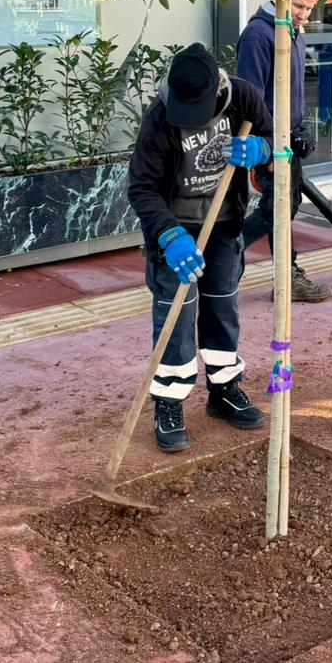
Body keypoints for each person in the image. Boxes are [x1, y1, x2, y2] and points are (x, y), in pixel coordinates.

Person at [128, 42, 275, 452]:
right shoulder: (159, 117)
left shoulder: (242, 97)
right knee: (177, 313)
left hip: (224, 222)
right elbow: (141, 187)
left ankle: (224, 389)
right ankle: (169, 402)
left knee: (222, 306)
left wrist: (261, 149)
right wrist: (169, 235)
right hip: (175, 228)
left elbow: (272, 137)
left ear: (216, 91)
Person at [237, 0, 332, 303]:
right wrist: (268, 146)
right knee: (275, 210)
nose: (304, 14)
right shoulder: (258, 35)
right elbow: (250, 98)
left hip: (287, 139)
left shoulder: (292, 32)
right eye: (299, 6)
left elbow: (290, 91)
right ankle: (227, 252)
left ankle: (286, 277)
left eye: (309, 8)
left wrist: (299, 129)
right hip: (270, 142)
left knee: (285, 207)